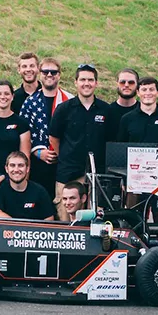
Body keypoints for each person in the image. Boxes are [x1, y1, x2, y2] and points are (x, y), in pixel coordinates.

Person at [48, 64, 111, 221]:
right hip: (68, 172)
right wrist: (65, 156)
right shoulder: (64, 109)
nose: (86, 83)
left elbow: (111, 141)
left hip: (97, 174)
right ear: (75, 82)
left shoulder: (106, 110)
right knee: (65, 214)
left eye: (90, 80)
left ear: (96, 83)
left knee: (96, 216)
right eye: (82, 79)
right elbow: (53, 137)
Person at [18, 57, 72, 198]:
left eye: (53, 72)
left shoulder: (70, 101)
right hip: (38, 164)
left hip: (64, 163)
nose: (49, 75)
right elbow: (23, 132)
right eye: (45, 71)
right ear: (40, 74)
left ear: (59, 75)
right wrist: (38, 151)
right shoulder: (29, 103)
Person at [0, 152, 55, 220]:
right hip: (8, 229)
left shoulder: (40, 191)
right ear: (6, 169)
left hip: (33, 229)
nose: (16, 170)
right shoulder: (0, 189)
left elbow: (49, 218)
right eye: (12, 165)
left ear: (27, 168)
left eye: (20, 165)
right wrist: (19, 228)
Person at [117, 77, 158, 144]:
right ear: (138, 93)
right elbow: (120, 148)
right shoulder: (127, 119)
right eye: (144, 90)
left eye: (151, 89)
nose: (148, 93)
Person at [108, 68, 140, 141]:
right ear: (117, 84)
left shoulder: (143, 111)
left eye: (131, 82)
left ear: (137, 85)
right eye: (122, 82)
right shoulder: (107, 111)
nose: (126, 85)